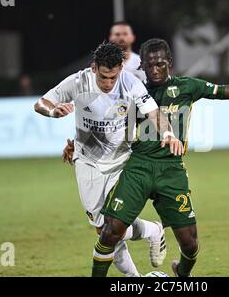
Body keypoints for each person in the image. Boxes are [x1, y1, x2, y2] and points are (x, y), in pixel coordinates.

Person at [84, 38, 229, 277]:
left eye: (160, 64)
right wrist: (76, 144)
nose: (155, 69)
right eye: (150, 64)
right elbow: (99, 120)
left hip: (171, 170)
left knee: (190, 244)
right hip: (138, 167)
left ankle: (182, 273)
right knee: (111, 231)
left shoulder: (188, 87)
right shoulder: (132, 90)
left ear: (170, 63)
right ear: (142, 65)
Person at [34, 42, 183, 277]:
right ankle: (152, 230)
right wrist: (52, 111)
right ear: (94, 68)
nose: (108, 83)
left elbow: (154, 112)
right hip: (87, 161)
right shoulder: (78, 82)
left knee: (114, 226)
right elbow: (41, 103)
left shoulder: (130, 83)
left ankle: (134, 279)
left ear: (120, 69)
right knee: (102, 229)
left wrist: (167, 133)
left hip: (122, 161)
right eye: (104, 77)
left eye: (113, 77)